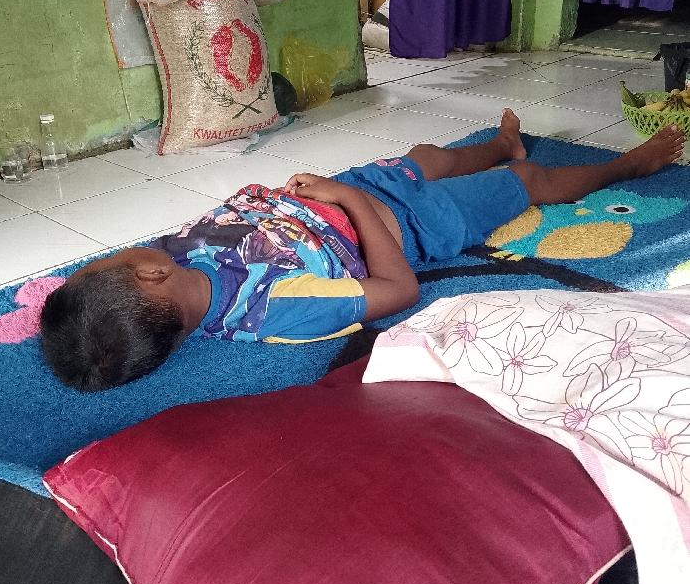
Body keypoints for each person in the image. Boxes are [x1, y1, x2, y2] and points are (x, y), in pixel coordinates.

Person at [40, 110, 686, 392]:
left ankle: (500, 144)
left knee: (432, 156)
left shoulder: (171, 260)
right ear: (150, 275)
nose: (119, 251)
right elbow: (399, 291)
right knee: (526, 183)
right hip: (409, 224)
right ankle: (628, 165)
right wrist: (348, 199)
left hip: (353, 193)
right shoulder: (275, 308)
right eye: (105, 261)